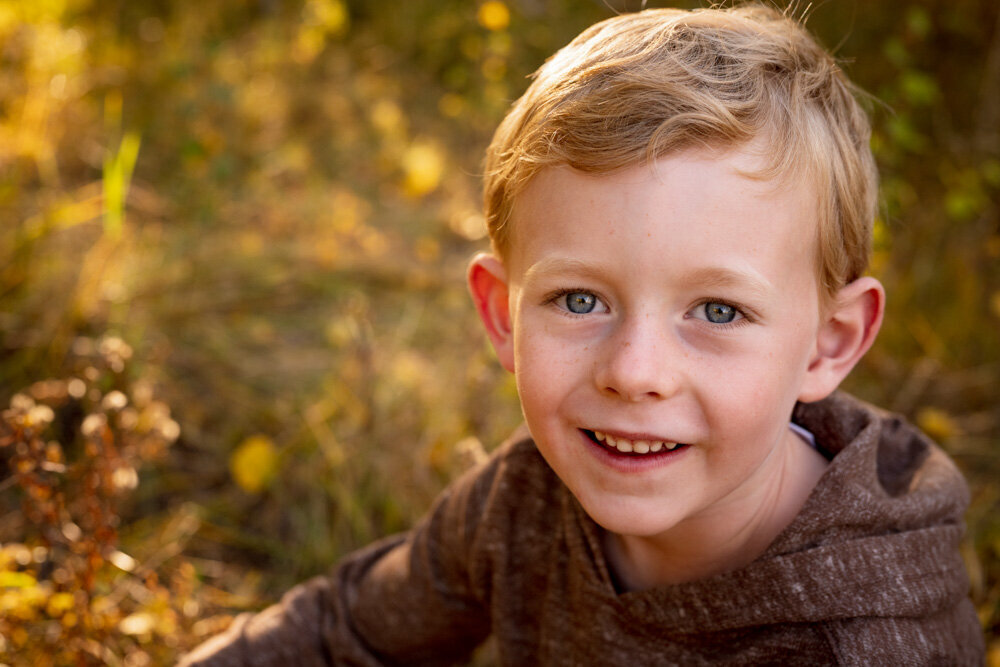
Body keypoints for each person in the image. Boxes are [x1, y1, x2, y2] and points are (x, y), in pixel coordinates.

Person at [180, 5, 984, 665]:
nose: (635, 373)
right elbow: (343, 636)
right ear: (502, 314)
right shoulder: (525, 501)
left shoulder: (864, 642)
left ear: (828, 343)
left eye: (717, 311)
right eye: (578, 300)